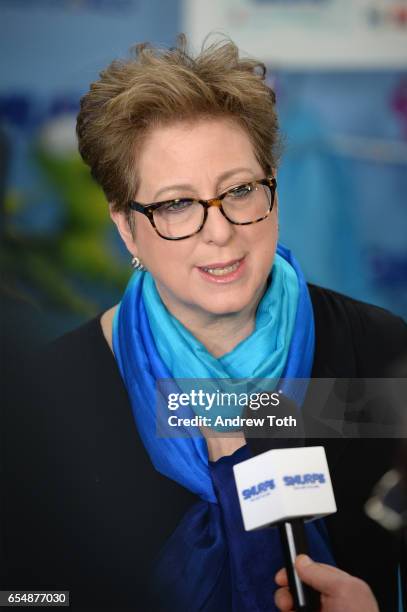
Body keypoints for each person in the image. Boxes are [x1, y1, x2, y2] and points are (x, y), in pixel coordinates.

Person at [2, 35, 407, 611]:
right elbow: (22, 595)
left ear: (272, 185)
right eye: (176, 204)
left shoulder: (385, 356)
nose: (219, 231)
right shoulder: (47, 396)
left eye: (239, 190)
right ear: (126, 228)